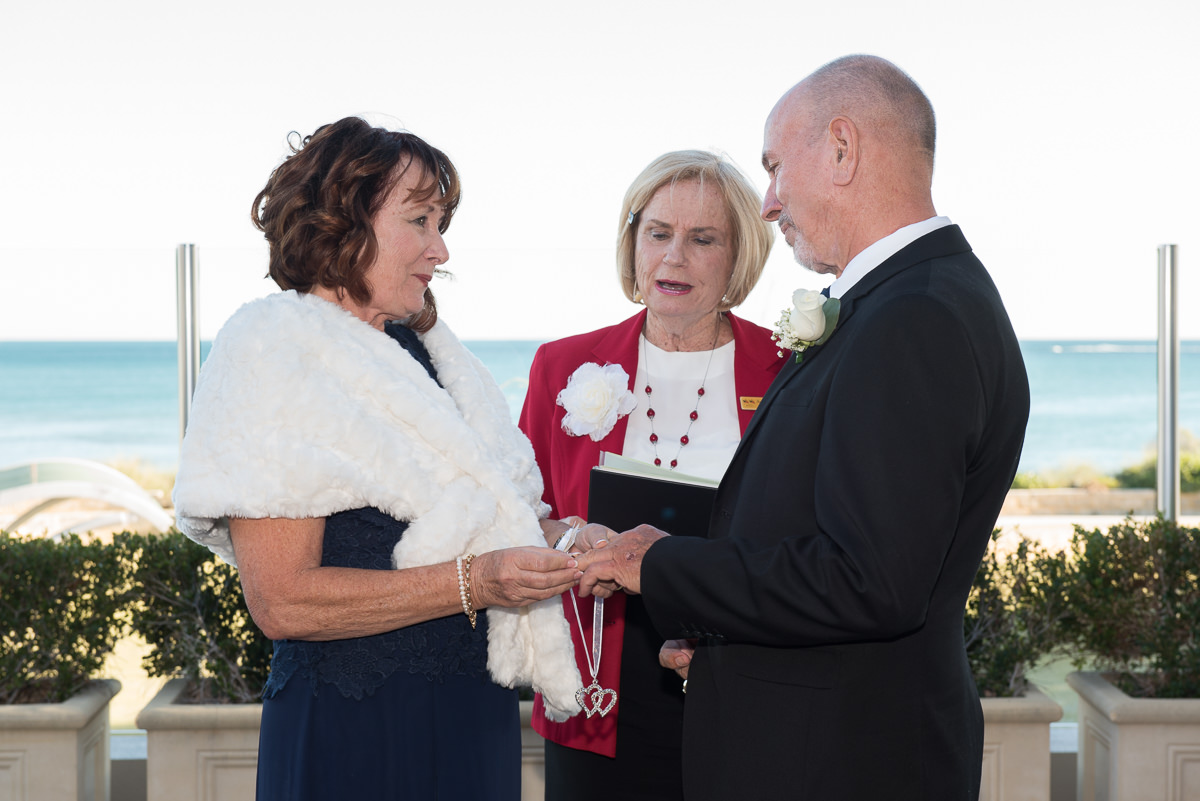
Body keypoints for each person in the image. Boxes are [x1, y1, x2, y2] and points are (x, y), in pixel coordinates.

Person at [576, 55, 1031, 800]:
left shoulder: (912, 318)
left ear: (844, 150)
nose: (769, 202)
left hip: (839, 764)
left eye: (778, 167)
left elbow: (869, 580)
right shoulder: (913, 298)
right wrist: (728, 645)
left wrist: (657, 564)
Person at [172, 116, 585, 801]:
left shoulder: (435, 356)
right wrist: (475, 583)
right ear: (344, 219)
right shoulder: (273, 350)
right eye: (420, 219)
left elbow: (496, 523)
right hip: (352, 734)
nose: (441, 247)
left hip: (471, 719)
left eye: (442, 221)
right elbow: (281, 599)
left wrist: (571, 546)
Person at [519, 150, 786, 800]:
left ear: (737, 257)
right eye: (659, 233)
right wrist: (566, 538)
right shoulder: (562, 365)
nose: (675, 257)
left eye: (703, 239)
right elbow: (518, 510)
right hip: (595, 676)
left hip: (739, 671)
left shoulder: (787, 369)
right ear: (633, 242)